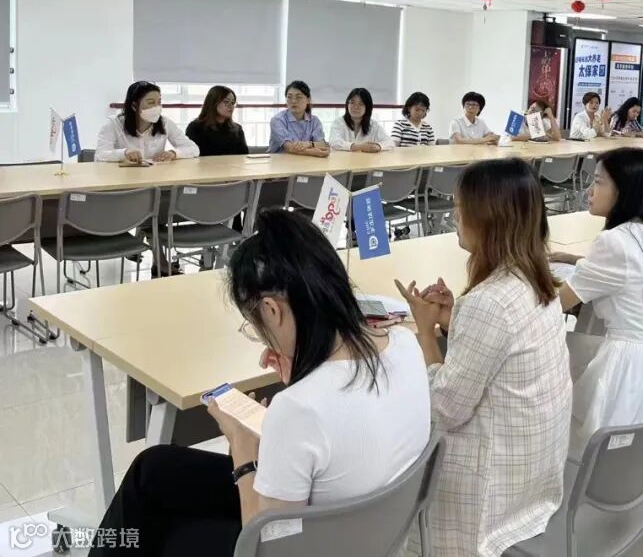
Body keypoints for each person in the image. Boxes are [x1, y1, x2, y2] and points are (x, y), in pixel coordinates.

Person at [88, 210, 431, 557]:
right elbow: (336, 429)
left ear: (272, 309)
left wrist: (243, 452)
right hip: (363, 531)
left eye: (254, 325)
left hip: (306, 546)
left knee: (157, 528)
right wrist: (300, 379)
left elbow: (267, 548)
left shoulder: (299, 409)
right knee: (154, 470)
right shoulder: (404, 344)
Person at [394, 159, 572, 557]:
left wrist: (425, 332)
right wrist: (453, 318)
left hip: (492, 491)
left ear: (489, 219)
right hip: (534, 471)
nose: (455, 215)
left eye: (462, 207)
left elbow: (444, 408)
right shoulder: (535, 278)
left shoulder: (489, 302)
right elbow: (505, 348)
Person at [548, 148, 643, 451]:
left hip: (633, 375)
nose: (589, 191)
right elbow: (632, 271)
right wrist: (578, 261)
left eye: (598, 182)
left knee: (552, 351)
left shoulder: (614, 241)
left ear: (623, 190)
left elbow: (556, 306)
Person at [95, 80, 200, 163]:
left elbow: (193, 149)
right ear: (134, 106)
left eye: (159, 102)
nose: (157, 107)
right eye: (151, 102)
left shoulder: (165, 123)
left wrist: (173, 153)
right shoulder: (113, 124)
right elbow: (100, 155)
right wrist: (124, 153)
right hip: (122, 178)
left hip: (154, 178)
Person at [184, 86, 249, 157]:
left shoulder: (237, 129)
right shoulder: (195, 128)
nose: (231, 106)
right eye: (226, 102)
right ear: (213, 103)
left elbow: (244, 156)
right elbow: (192, 155)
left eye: (233, 103)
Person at [269, 80, 329, 157]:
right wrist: (314, 152)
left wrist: (308, 144)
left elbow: (322, 144)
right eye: (289, 97)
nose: (293, 101)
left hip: (307, 161)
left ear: (308, 100)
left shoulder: (314, 121)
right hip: (280, 162)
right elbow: (289, 148)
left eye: (298, 97)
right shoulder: (277, 120)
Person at [328, 87, 393, 152]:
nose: (355, 107)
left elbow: (390, 142)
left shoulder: (374, 125)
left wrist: (378, 146)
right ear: (347, 104)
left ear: (367, 108)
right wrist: (360, 147)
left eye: (361, 104)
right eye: (352, 102)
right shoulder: (338, 123)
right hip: (343, 158)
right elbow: (334, 142)